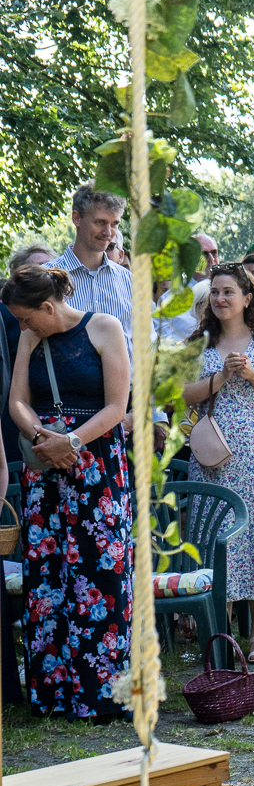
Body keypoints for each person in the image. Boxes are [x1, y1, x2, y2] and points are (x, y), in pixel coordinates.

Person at [3, 265, 132, 720]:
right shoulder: (30, 338)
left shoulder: (103, 327)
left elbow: (119, 405)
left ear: (47, 306)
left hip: (96, 468)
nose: (21, 326)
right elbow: (16, 399)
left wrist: (72, 441)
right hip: (46, 470)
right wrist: (41, 436)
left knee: (101, 576)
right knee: (50, 579)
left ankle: (104, 695)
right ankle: (55, 695)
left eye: (25, 318)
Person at [182, 264, 254, 663]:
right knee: (217, 541)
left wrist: (249, 374)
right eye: (215, 292)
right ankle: (220, 630)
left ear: (247, 298)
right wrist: (218, 378)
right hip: (211, 456)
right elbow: (182, 395)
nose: (219, 299)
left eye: (228, 292)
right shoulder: (197, 343)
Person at [54, 185, 132, 345]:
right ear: (76, 218)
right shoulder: (47, 277)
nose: (108, 232)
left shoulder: (129, 281)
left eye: (115, 224)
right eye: (100, 222)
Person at [2, 241, 57, 465]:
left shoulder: (70, 317)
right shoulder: (5, 316)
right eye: (37, 269)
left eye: (50, 267)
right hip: (15, 414)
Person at [159, 232, 220, 341]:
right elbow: (166, 342)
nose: (211, 259)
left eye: (214, 253)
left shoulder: (229, 295)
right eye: (204, 255)